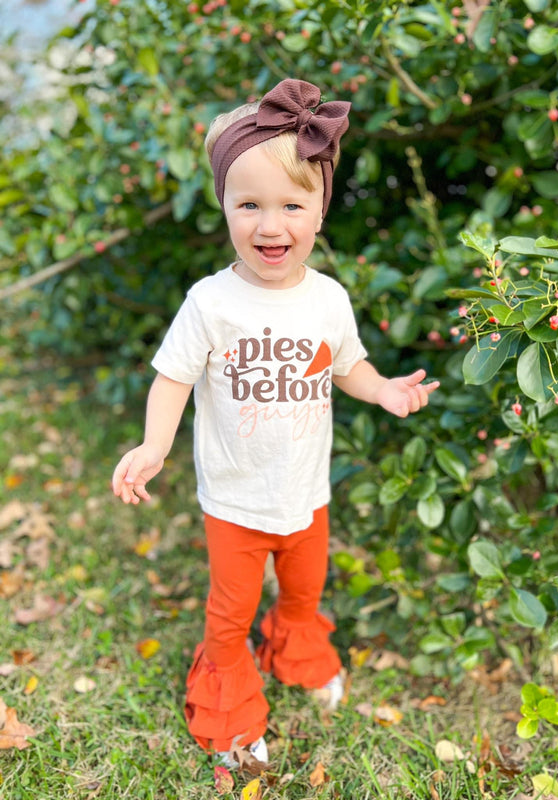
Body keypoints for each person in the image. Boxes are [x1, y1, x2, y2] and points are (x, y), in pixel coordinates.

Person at [112, 78, 439, 768]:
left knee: (303, 589)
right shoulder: (212, 303)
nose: (270, 225)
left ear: (320, 210)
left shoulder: (328, 298)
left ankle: (298, 653)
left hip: (304, 493)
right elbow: (173, 376)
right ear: (224, 207)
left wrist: (381, 390)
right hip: (235, 499)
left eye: (292, 204)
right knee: (229, 611)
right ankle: (230, 709)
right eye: (249, 205)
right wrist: (153, 444)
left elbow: (344, 363)